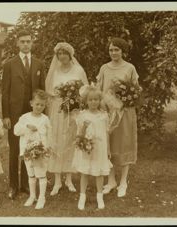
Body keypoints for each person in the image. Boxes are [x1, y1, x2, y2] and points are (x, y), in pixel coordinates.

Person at [1, 29, 46, 200]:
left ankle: (26, 184)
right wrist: (6, 115)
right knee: (14, 150)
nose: (26, 44)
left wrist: (43, 116)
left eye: (28, 41)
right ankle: (13, 185)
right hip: (14, 114)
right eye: (23, 41)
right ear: (17, 43)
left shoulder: (39, 64)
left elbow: (41, 91)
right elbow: (4, 92)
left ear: (32, 43)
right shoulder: (9, 64)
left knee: (31, 147)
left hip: (33, 113)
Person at [96, 37, 140, 197]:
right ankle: (111, 180)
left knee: (124, 144)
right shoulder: (104, 68)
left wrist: (125, 100)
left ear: (122, 51)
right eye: (111, 50)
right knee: (109, 145)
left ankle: (123, 182)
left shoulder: (130, 68)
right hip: (108, 113)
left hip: (125, 113)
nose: (113, 53)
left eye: (117, 50)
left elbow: (136, 90)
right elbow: (99, 90)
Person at [45, 42, 88, 196]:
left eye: (65, 53)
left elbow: (84, 90)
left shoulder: (78, 70)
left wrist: (74, 98)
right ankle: (57, 180)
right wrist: (59, 96)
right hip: (57, 109)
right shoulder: (54, 71)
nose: (62, 56)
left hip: (73, 110)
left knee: (70, 141)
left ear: (70, 55)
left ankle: (69, 178)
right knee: (57, 141)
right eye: (59, 54)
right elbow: (49, 91)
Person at [72, 85, 114, 210]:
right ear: (86, 101)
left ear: (100, 100)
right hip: (87, 147)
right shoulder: (83, 115)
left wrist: (108, 149)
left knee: (99, 172)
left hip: (100, 148)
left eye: (96, 99)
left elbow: (106, 133)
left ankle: (99, 196)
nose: (93, 102)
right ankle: (82, 196)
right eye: (90, 100)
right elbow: (79, 134)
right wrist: (84, 127)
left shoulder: (104, 115)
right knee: (85, 172)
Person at [14, 90, 52, 209]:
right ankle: (32, 196)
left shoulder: (45, 119)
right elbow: (16, 131)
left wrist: (47, 148)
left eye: (42, 105)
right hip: (28, 151)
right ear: (31, 103)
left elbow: (49, 134)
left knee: (41, 174)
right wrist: (27, 127)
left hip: (40, 151)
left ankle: (42, 197)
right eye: (37, 104)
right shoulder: (24, 118)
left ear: (45, 105)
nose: (39, 107)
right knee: (31, 174)